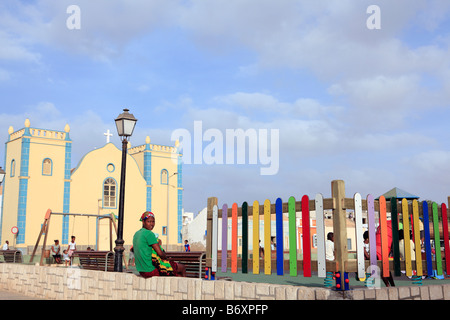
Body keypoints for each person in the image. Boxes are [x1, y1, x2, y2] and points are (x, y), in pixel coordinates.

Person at [133, 211, 186, 278]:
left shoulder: (136, 234)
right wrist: (166, 257)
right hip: (150, 270)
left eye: (153, 221)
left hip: (141, 271)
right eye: (149, 222)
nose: (151, 224)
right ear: (143, 222)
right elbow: (160, 254)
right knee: (182, 268)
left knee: (177, 275)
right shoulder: (149, 234)